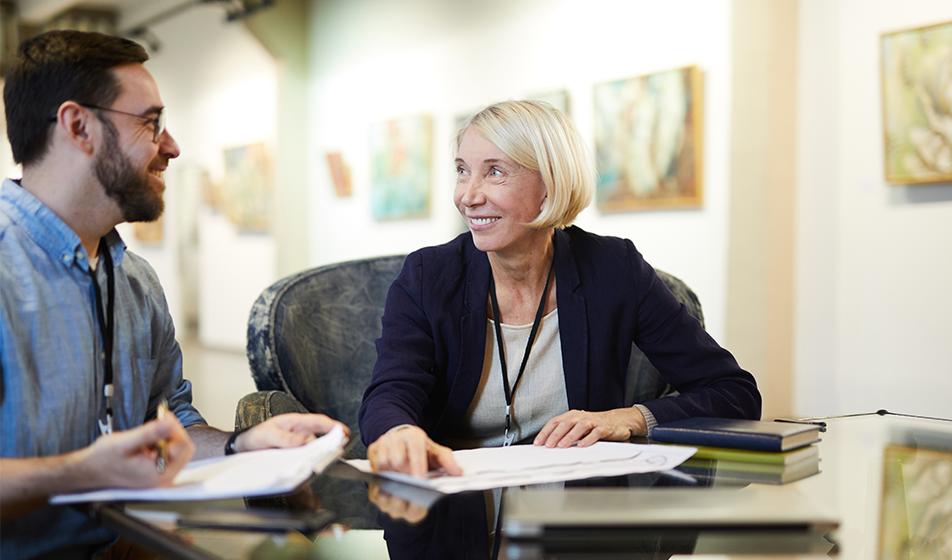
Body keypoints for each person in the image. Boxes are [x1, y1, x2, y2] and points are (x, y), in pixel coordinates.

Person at [0, 30, 347, 558]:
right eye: (151, 122)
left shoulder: (135, 281)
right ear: (78, 126)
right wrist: (78, 472)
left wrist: (240, 445)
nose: (172, 146)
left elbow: (175, 429)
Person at [359, 100, 761, 476]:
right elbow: (391, 391)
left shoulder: (614, 269)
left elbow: (733, 392)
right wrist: (398, 432)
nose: (467, 196)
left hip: (577, 507)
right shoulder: (429, 275)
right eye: (462, 170)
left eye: (494, 171)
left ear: (549, 184)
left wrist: (629, 417)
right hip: (453, 506)